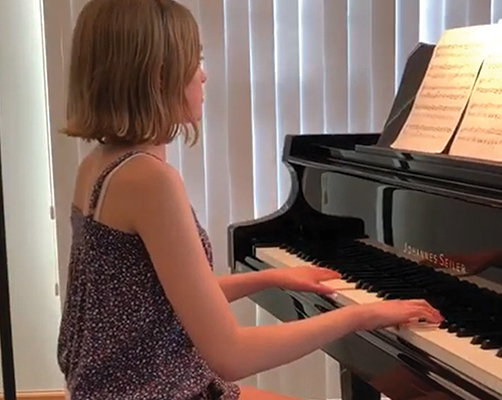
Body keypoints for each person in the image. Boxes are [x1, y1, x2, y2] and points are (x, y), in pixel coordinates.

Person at [56, 1, 443, 399]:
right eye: (195, 61)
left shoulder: (100, 164)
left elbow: (155, 296)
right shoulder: (150, 180)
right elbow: (232, 356)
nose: (203, 76)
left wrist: (271, 277)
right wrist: (360, 316)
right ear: (158, 76)